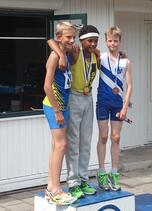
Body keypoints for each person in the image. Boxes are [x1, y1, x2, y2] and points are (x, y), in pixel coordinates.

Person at [47, 25, 99, 199]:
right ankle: (73, 182)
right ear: (82, 41)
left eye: (95, 41)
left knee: (86, 141)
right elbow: (51, 41)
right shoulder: (73, 52)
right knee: (71, 142)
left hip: (88, 97)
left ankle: (83, 179)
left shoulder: (96, 55)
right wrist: (61, 54)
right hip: (73, 98)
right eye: (89, 40)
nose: (92, 44)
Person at [42, 21, 77, 205]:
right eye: (68, 37)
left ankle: (50, 186)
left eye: (73, 36)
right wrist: (57, 110)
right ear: (59, 37)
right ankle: (55, 189)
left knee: (57, 146)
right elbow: (47, 86)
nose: (72, 40)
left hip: (64, 105)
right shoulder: (55, 57)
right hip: (54, 105)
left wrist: (68, 51)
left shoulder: (68, 52)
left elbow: (77, 55)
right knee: (61, 145)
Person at [96, 26, 132, 191]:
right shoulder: (100, 57)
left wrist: (125, 107)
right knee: (103, 136)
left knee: (115, 137)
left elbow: (130, 86)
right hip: (103, 102)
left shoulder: (125, 61)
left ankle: (114, 173)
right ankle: (101, 172)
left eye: (115, 41)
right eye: (110, 40)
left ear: (120, 42)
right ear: (106, 41)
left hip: (118, 104)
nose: (112, 43)